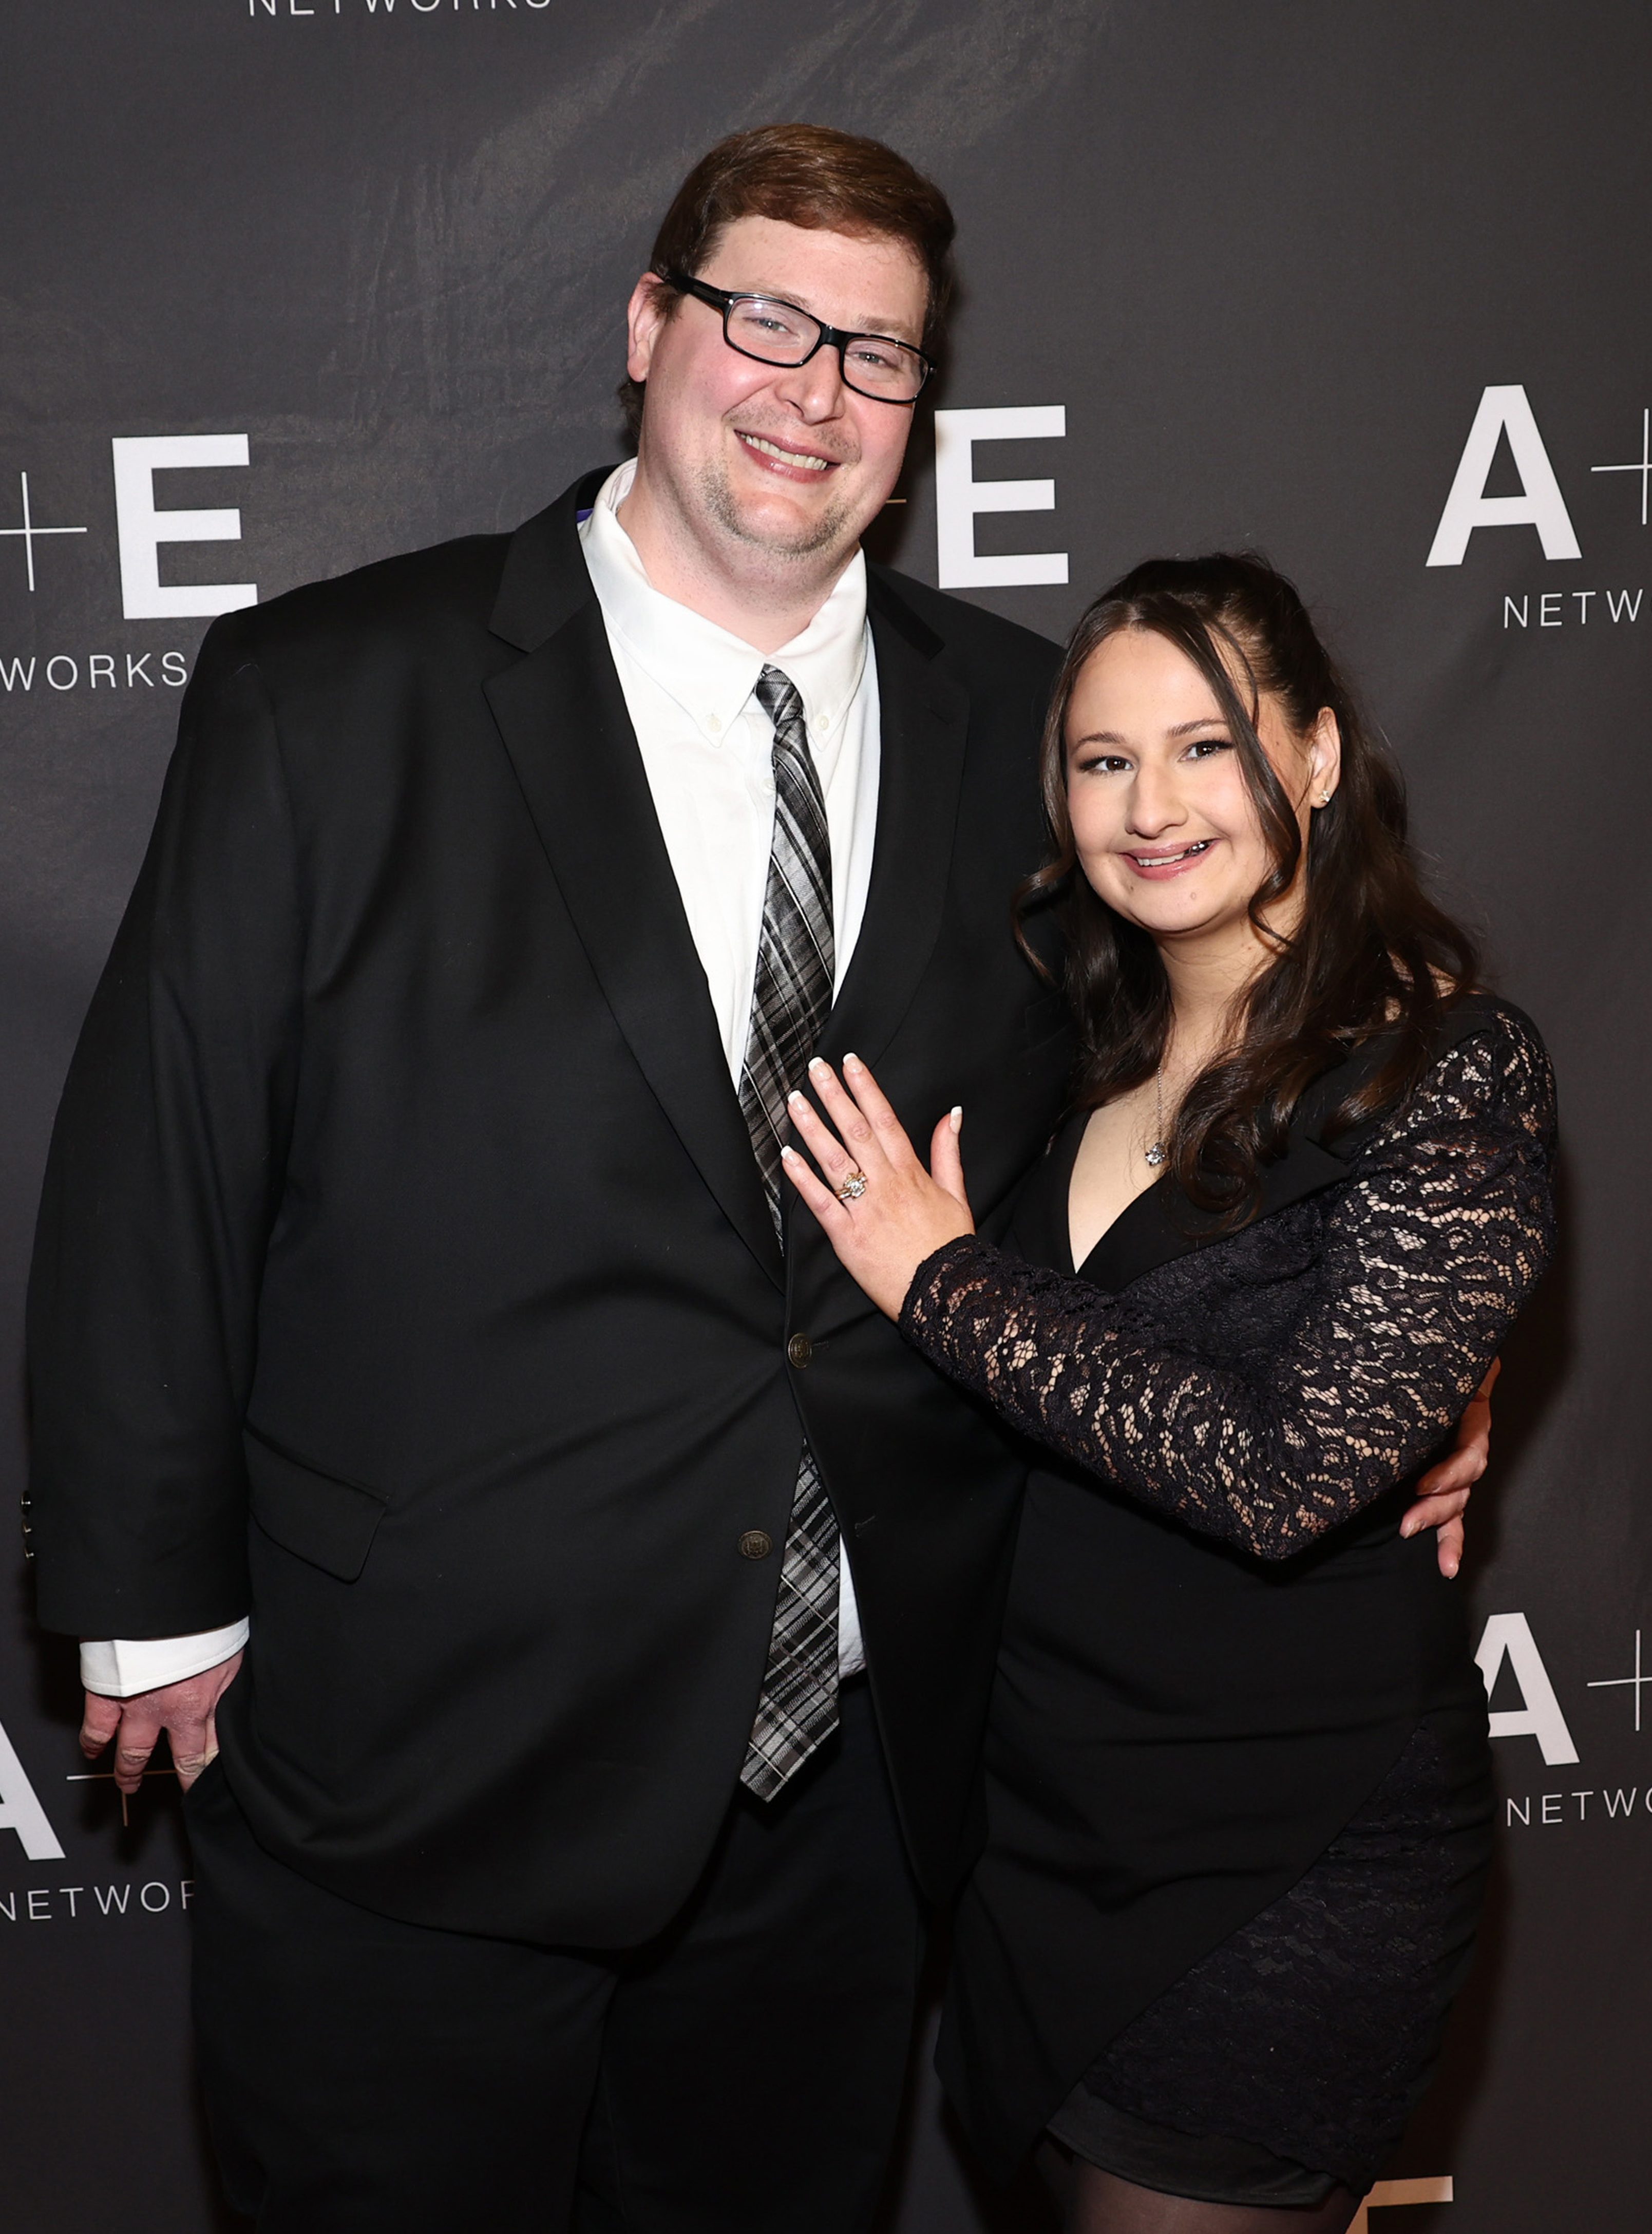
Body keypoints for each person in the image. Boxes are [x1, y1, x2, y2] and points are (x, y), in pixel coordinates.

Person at [25, 124, 1485, 2233]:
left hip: (851, 1785)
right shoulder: (333, 693)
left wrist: (1432, 1366)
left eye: (874, 355)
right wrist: (149, 1587)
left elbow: (1223, 1098)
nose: (811, 389)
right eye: (764, 320)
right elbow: (161, 1142)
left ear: (918, 410)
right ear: (648, 327)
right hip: (430, 1752)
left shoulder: (1027, 730)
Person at [782, 554, 1556, 2233]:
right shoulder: (1071, 1048)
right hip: (1041, 1819)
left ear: (1320, 758)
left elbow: (1289, 1475)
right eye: (1101, 759)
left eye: (1206, 747)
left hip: (1277, 1855)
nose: (1150, 805)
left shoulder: (1441, 1065)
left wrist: (940, 1275)